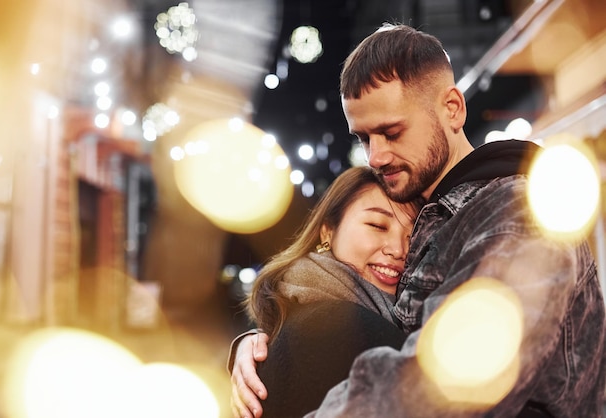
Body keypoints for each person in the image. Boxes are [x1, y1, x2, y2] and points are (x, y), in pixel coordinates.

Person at [230, 23, 606, 418]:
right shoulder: (433, 216)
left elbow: (446, 384)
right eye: (364, 138)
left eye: (392, 132)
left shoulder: (515, 210)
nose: (375, 156)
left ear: (452, 109)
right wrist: (263, 347)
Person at [244, 166, 419, 417]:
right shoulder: (339, 326)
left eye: (412, 236)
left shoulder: (299, 310)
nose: (398, 249)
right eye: (378, 225)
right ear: (328, 230)